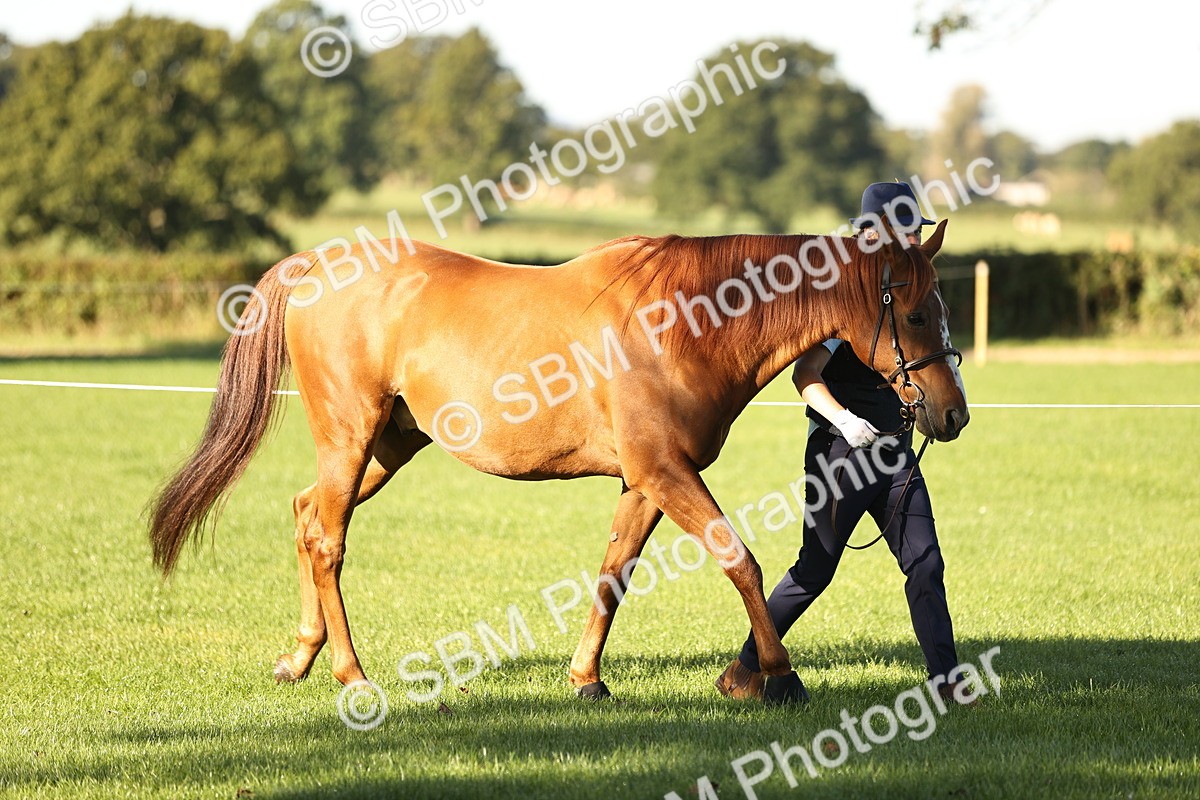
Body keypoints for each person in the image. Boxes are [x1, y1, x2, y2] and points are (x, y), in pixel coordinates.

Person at [715, 181, 969, 704]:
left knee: (926, 562)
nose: (907, 242)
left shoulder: (911, 293)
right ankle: (744, 669)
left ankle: (946, 683)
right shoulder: (844, 300)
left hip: (895, 451)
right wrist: (847, 421)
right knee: (814, 571)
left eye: (913, 232)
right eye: (900, 233)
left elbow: (927, 350)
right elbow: (805, 375)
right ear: (872, 235)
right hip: (840, 455)